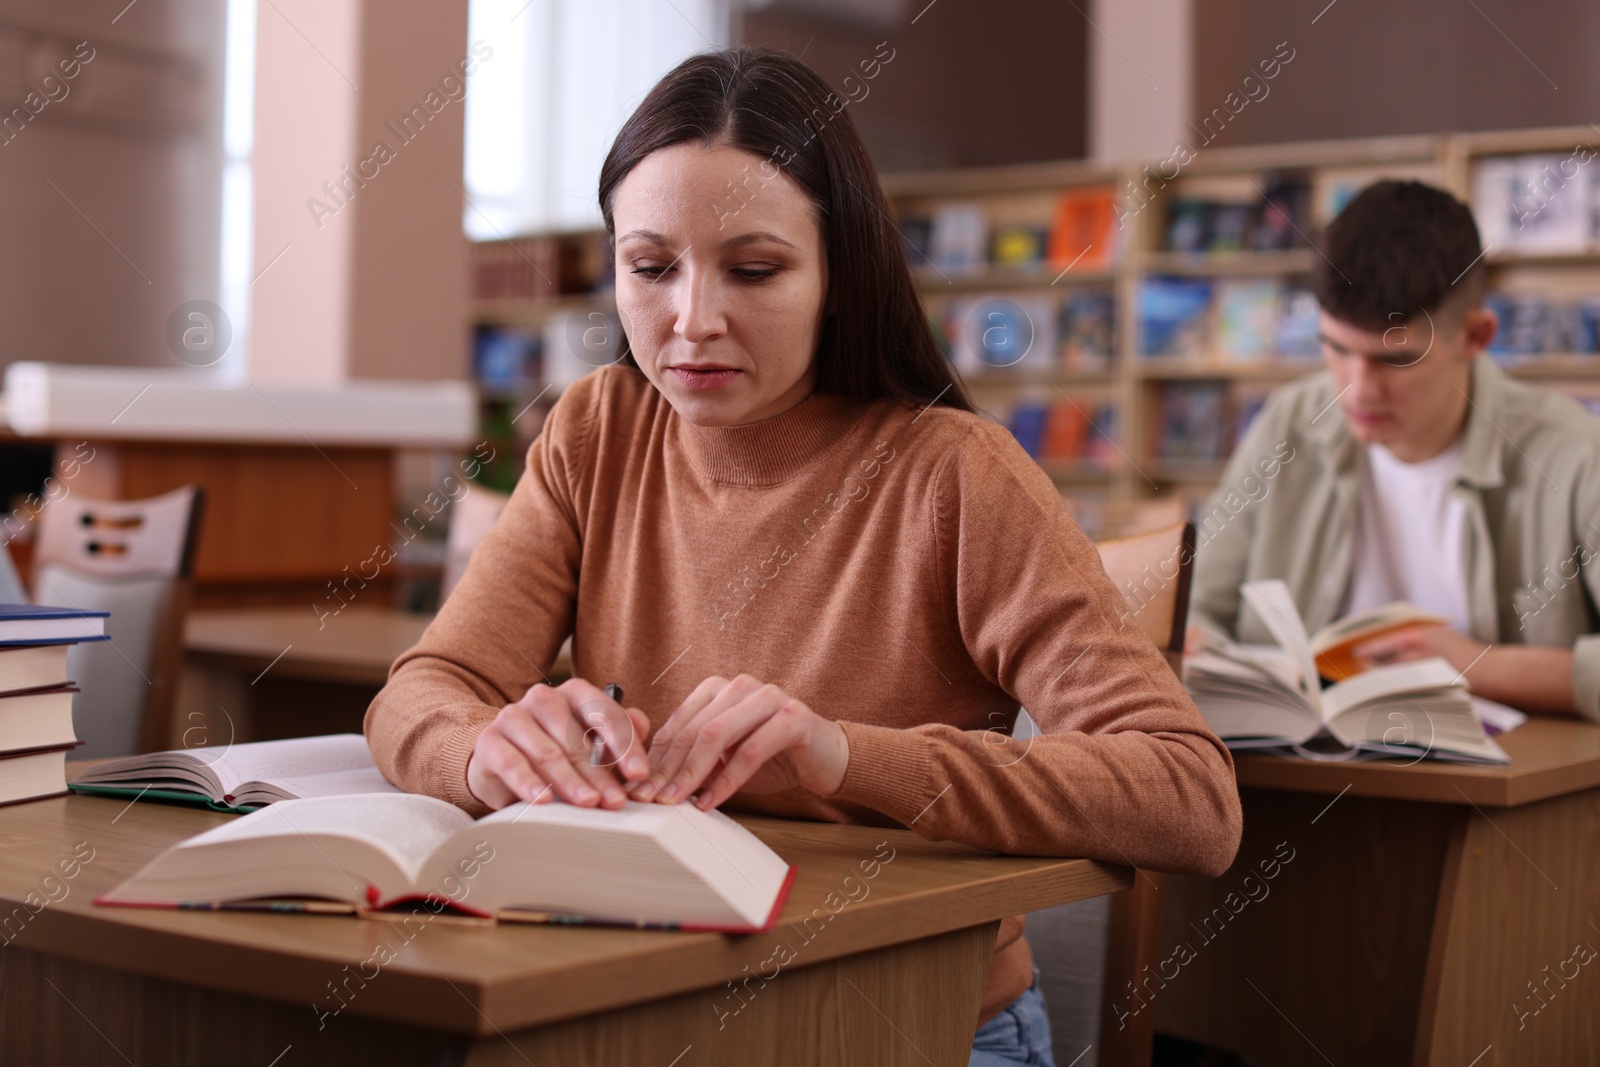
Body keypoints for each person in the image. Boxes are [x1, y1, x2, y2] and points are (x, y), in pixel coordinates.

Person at [365, 47, 1242, 1065]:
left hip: (913, 1021)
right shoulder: (597, 428)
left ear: (839, 269)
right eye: (649, 266)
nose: (691, 320)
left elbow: (1191, 798)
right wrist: (484, 746)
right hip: (642, 997)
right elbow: (427, 686)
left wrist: (844, 753)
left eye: (753, 269)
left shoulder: (953, 473)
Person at [1191, 179, 1600, 719]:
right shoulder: (1289, 422)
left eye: (1397, 359)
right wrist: (1192, 646)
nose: (1357, 389)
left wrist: (1472, 665)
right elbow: (1193, 612)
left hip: (1512, 798)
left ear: (1475, 337)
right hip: (1294, 780)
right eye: (1336, 348)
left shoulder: (1575, 455)